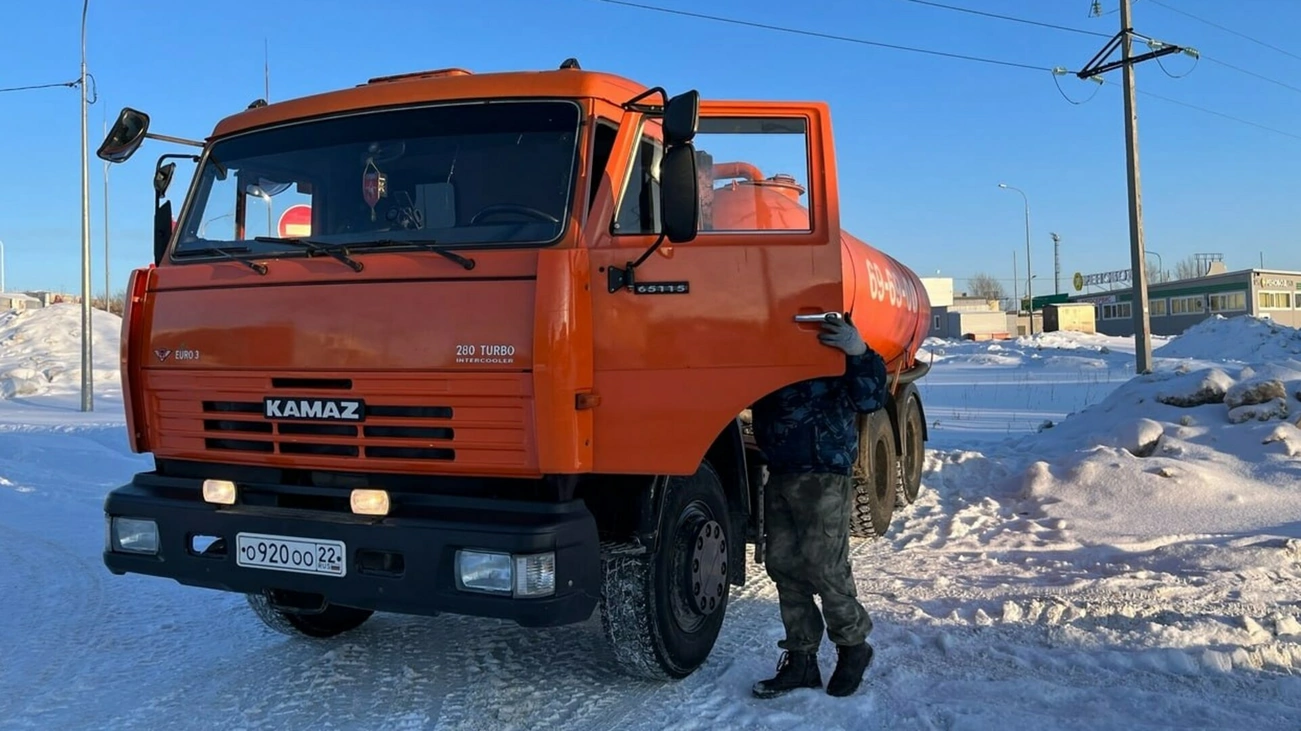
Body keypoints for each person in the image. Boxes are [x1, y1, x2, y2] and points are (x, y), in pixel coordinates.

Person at [748, 312, 888, 699]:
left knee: (825, 567)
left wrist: (859, 352)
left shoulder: (832, 346)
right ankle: (801, 661)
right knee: (785, 568)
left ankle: (853, 647)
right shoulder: (771, 346)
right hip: (780, 470)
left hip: (824, 472)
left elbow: (872, 399)